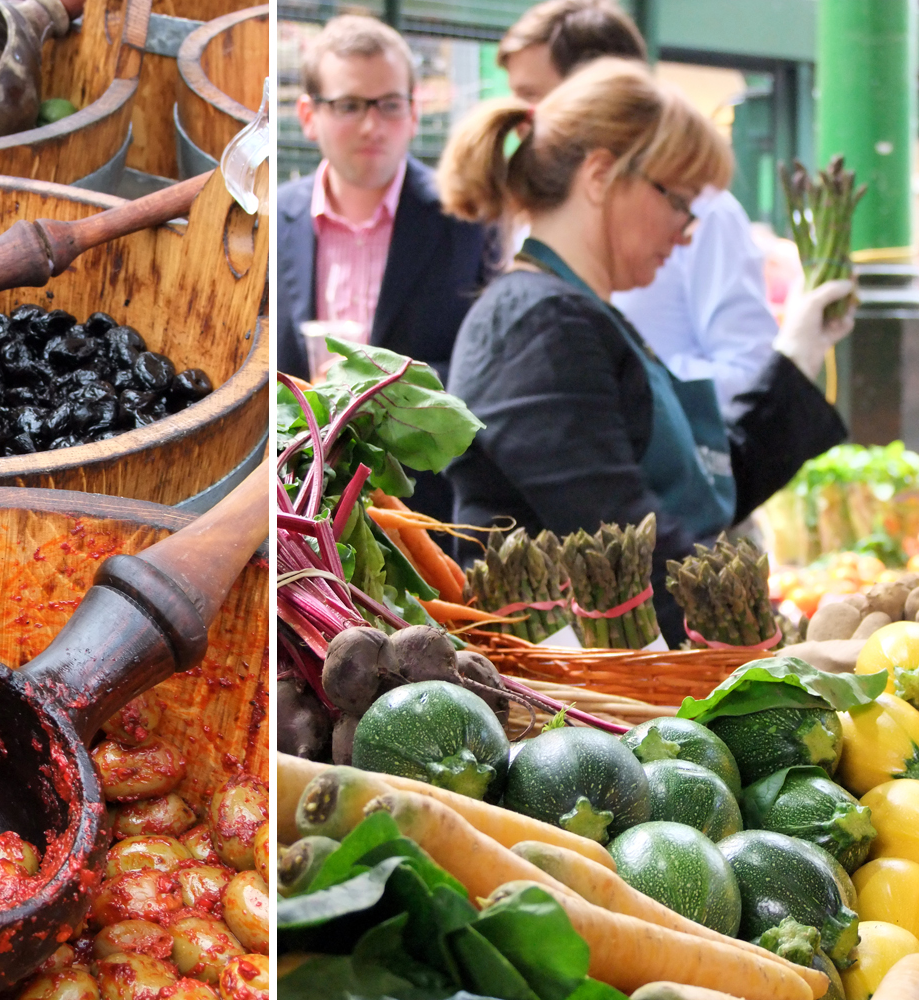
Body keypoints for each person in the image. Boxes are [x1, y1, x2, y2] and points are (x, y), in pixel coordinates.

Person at [437, 59, 853, 646]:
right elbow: (632, 546)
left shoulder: (578, 313)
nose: (687, 231)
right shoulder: (540, 324)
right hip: (578, 701)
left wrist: (799, 351)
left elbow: (705, 488)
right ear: (602, 175)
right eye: (679, 200)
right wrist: (763, 640)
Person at [499, 0, 776, 419]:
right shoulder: (543, 237)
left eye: (533, 97)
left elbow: (748, 371)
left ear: (601, 95)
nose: (524, 123)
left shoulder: (709, 213)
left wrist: (631, 383)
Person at [278, 14, 489, 522]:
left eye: (390, 105)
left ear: (414, 113)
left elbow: (490, 372)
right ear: (308, 115)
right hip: (297, 507)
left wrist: (378, 384)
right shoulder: (270, 218)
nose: (372, 126)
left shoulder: (472, 222)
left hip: (428, 512)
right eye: (350, 105)